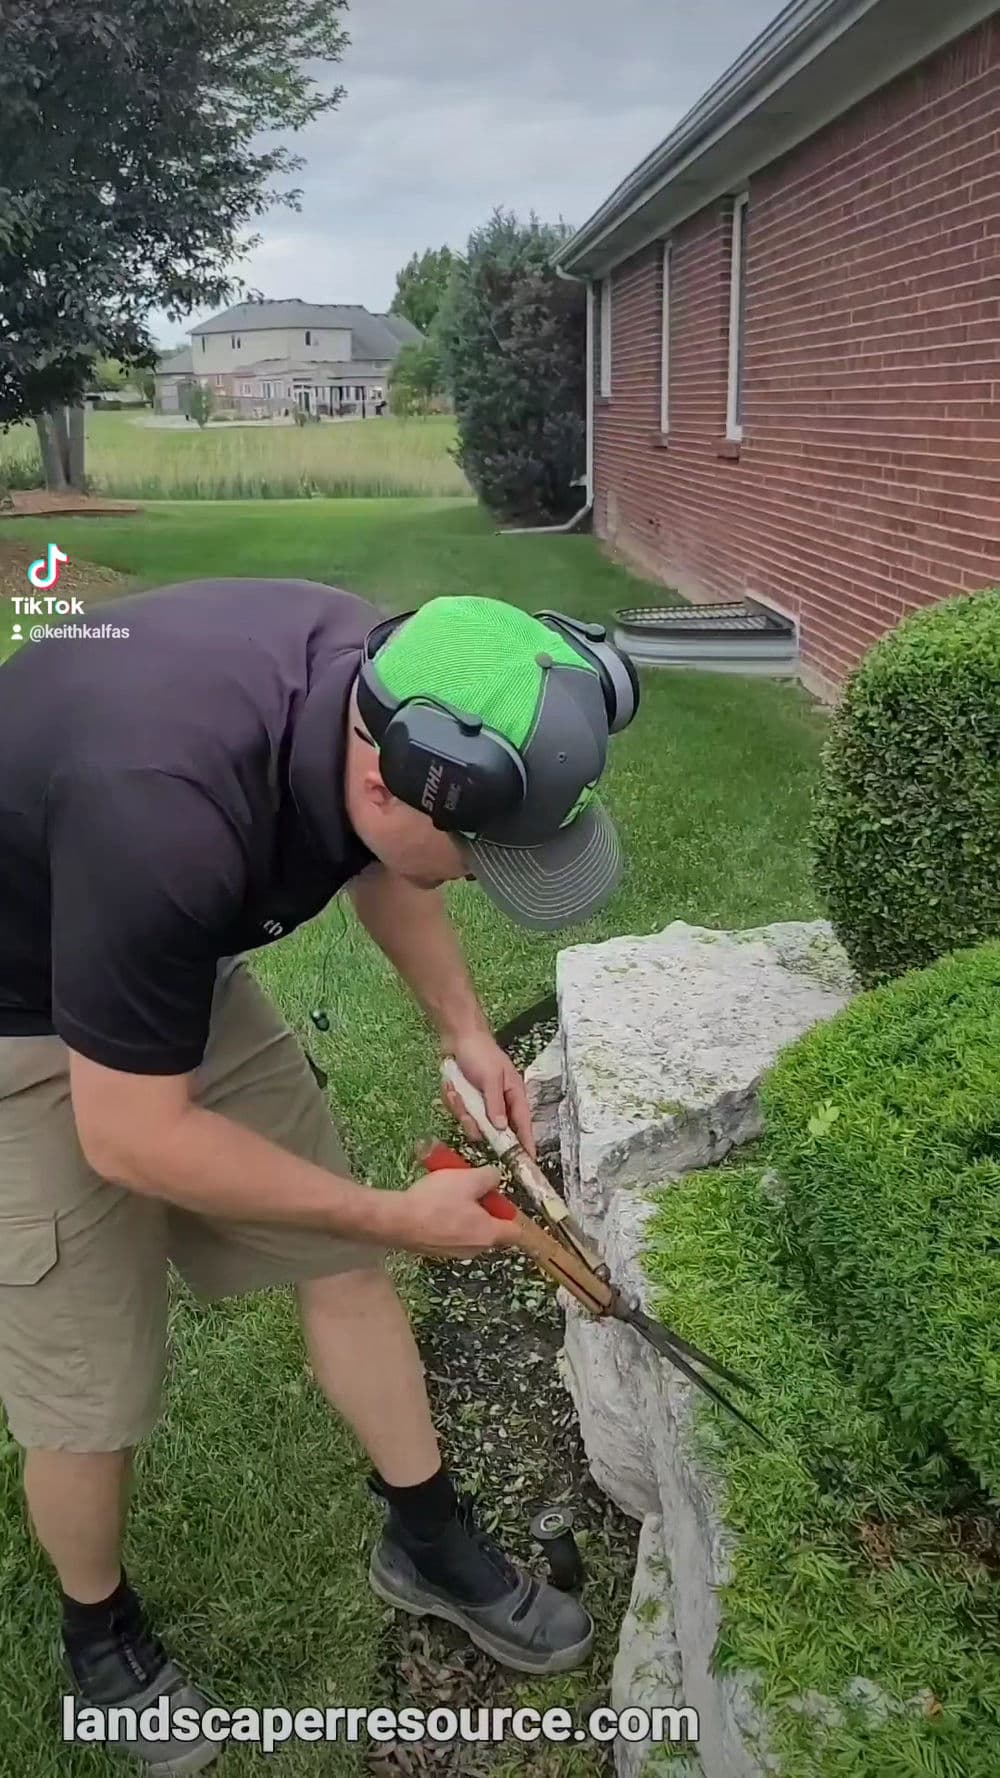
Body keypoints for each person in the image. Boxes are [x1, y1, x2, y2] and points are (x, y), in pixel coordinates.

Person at [0, 582, 639, 1771]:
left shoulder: (395, 679)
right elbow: (130, 1135)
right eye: (480, 856)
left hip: (168, 947)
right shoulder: (163, 815)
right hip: (18, 1009)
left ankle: (427, 1537)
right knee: (92, 1383)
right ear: (387, 782)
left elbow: (383, 858)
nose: (479, 878)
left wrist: (464, 1027)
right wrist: (397, 1213)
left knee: (341, 1261)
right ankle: (98, 1630)